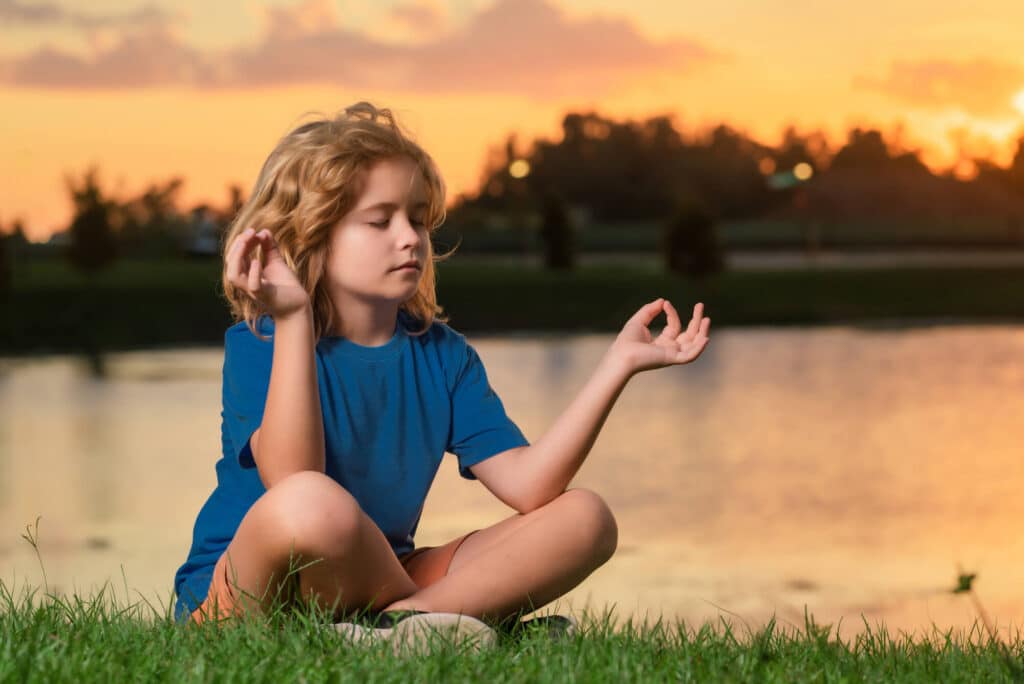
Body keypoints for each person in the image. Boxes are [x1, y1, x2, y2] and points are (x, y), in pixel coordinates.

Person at [172, 102, 711, 647]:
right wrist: (293, 318)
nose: (410, 238)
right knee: (311, 501)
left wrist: (617, 365)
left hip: (378, 582)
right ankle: (445, 623)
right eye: (381, 221)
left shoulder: (443, 355)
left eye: (419, 218)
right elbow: (291, 486)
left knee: (586, 517)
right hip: (247, 590)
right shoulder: (261, 341)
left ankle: (400, 627)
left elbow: (530, 487)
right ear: (314, 235)